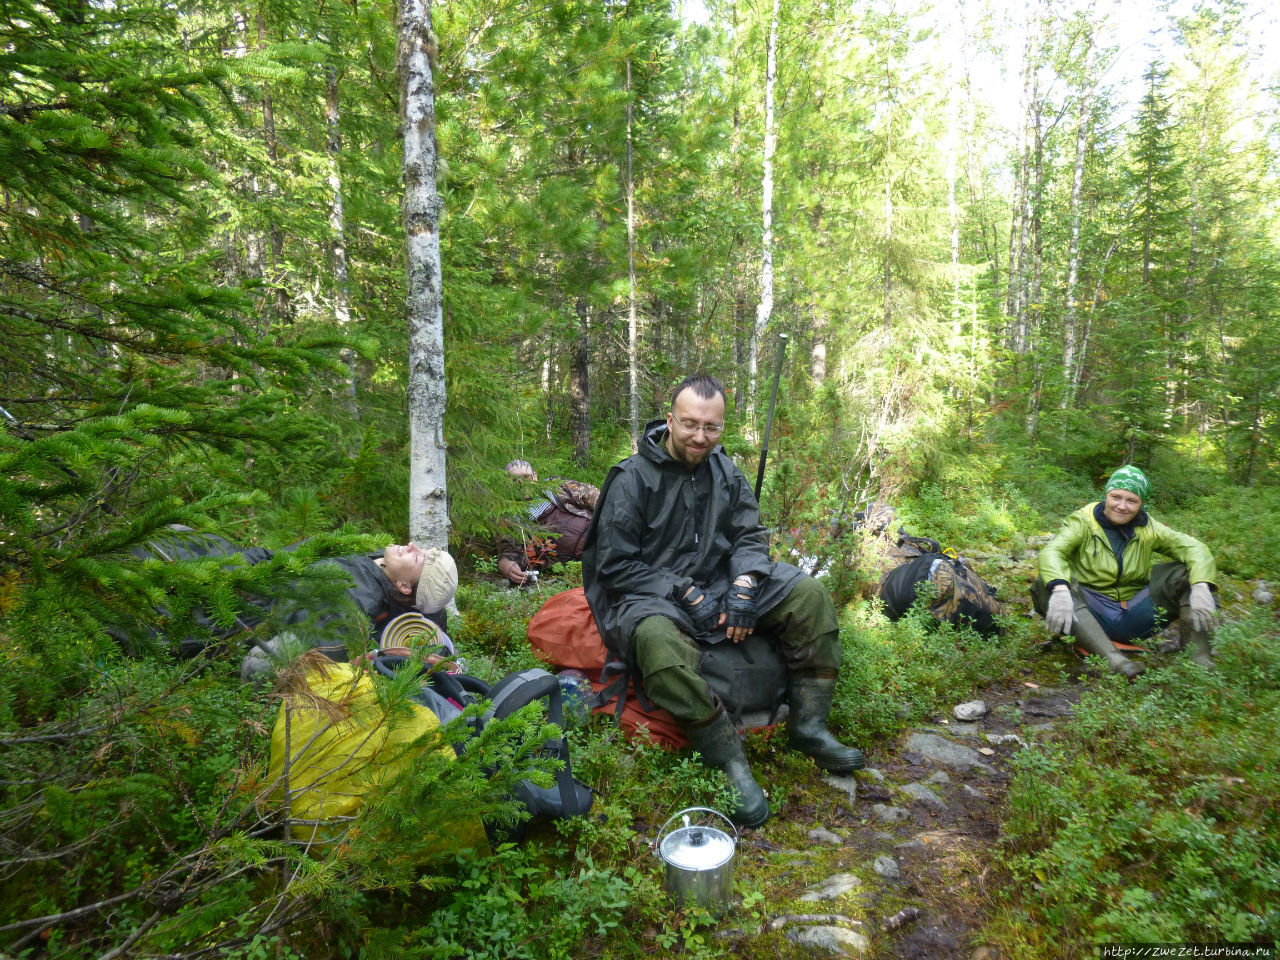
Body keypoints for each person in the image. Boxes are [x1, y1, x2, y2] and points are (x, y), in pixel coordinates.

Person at [581, 374, 864, 828]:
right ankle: (729, 760)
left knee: (808, 594)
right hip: (648, 594)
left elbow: (750, 536)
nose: (700, 437)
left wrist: (746, 584)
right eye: (690, 424)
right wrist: (681, 589)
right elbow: (614, 566)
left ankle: (808, 727)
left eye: (711, 428)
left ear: (722, 428)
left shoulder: (725, 472)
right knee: (657, 645)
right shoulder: (631, 478)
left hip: (718, 582)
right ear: (670, 420)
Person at [131, 529, 457, 663]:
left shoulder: (356, 599)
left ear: (404, 588)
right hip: (253, 564)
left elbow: (298, 625)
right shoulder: (384, 567)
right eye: (422, 549)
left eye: (417, 558)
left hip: (236, 599)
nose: (412, 546)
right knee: (175, 536)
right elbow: (431, 615)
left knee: (139, 606)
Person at [1033, 465, 1218, 677]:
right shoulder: (1083, 522)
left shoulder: (1149, 527)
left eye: (1132, 501)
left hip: (1135, 613)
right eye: (1116, 497)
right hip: (1090, 614)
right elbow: (1053, 551)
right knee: (1047, 582)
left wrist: (1202, 586)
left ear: (1141, 504)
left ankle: (1199, 659)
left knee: (1189, 575)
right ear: (1106, 496)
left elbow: (1194, 548)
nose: (1122, 506)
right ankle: (1116, 662)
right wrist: (1059, 589)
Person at [496, 459, 599, 586]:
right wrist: (508, 567)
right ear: (507, 485)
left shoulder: (556, 487)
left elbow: (592, 496)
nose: (521, 484)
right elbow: (508, 552)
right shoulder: (511, 518)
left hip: (602, 535)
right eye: (514, 480)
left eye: (526, 477)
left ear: (535, 476)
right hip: (577, 566)